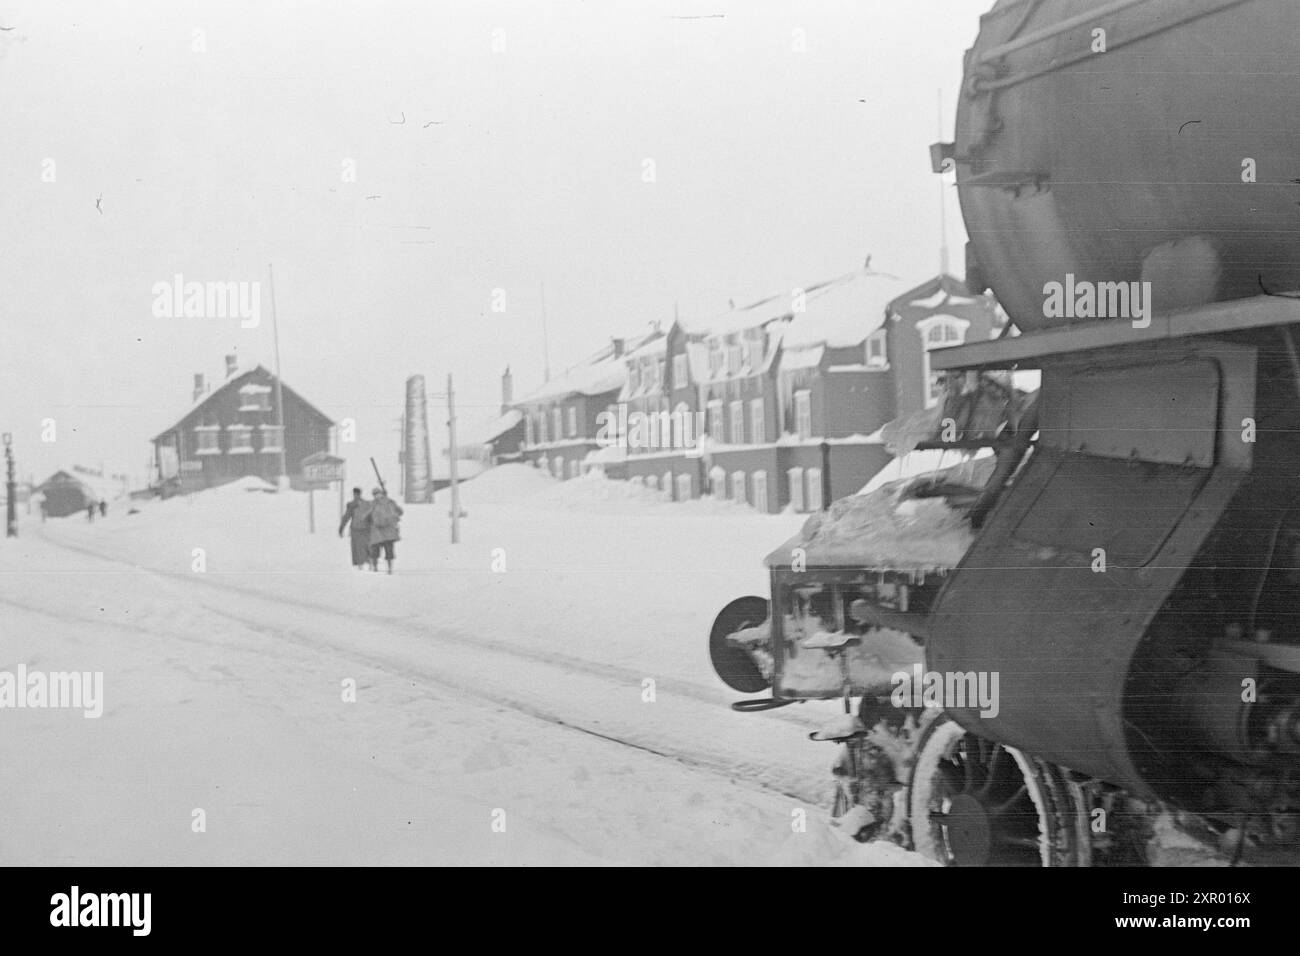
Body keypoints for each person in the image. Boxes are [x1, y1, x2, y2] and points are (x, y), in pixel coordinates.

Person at [367, 486, 403, 574]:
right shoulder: (390, 502)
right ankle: (389, 568)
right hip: (389, 531)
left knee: (374, 550)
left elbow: (366, 517)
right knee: (389, 550)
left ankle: (375, 567)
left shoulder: (372, 504)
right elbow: (400, 512)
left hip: (376, 532)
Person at [338, 487, 372, 570]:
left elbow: (346, 517)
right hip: (367, 529)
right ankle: (371, 563)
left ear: (354, 494)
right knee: (367, 546)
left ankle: (360, 565)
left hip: (356, 529)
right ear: (360, 493)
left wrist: (341, 528)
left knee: (357, 547)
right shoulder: (367, 503)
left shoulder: (352, 504)